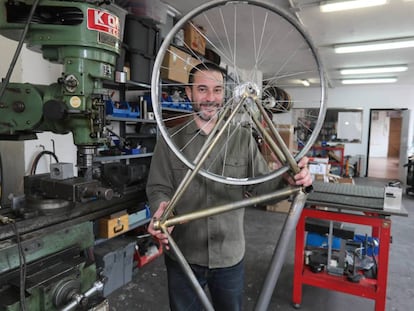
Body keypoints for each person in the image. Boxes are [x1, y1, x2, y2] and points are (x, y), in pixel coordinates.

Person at [146, 62, 312, 311]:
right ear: (189, 93)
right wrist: (160, 206)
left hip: (229, 257)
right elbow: (158, 186)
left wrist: (287, 180)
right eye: (202, 89)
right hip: (184, 254)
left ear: (224, 93)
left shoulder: (242, 139)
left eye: (217, 90)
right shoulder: (170, 141)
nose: (210, 98)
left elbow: (262, 192)